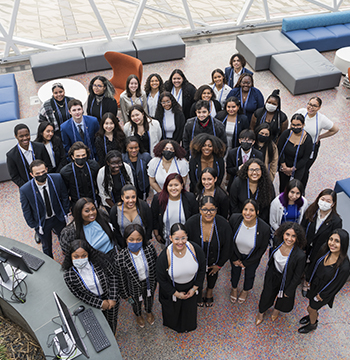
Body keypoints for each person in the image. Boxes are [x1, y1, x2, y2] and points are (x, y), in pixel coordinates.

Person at [156, 223, 206, 333]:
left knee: (189, 311)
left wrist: (194, 288)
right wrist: (176, 293)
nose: (180, 242)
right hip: (173, 288)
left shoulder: (195, 249)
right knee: (173, 314)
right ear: (170, 238)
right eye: (176, 238)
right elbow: (161, 278)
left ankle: (188, 326)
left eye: (183, 238)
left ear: (187, 237)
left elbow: (202, 269)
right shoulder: (165, 256)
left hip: (191, 287)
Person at [62, 239, 119, 334]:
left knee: (112, 319)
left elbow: (113, 275)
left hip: (110, 297)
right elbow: (80, 295)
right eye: (76, 256)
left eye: (84, 256)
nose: (80, 259)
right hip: (93, 302)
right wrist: (99, 303)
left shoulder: (100, 262)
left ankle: (113, 333)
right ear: (70, 257)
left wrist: (112, 298)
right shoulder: (69, 276)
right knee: (98, 322)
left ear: (89, 254)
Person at [298, 229, 350, 334]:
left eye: (337, 241)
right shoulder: (325, 250)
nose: (332, 243)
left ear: (343, 244)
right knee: (311, 304)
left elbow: (336, 285)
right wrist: (308, 280)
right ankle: (311, 315)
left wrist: (321, 295)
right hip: (315, 285)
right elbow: (314, 265)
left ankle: (313, 324)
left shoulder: (344, 267)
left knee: (311, 308)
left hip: (324, 293)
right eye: (331, 239)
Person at [256, 222, 306, 325]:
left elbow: (297, 276)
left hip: (287, 279)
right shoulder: (277, 241)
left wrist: (290, 290)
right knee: (266, 294)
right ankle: (261, 312)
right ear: (283, 234)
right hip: (273, 274)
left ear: (298, 238)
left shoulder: (300, 255)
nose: (289, 238)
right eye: (287, 234)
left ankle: (276, 310)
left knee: (282, 298)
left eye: (293, 236)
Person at [185, 196, 232, 307]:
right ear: (200, 209)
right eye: (205, 209)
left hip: (214, 259)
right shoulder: (191, 223)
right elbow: (185, 244)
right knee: (197, 277)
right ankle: (199, 292)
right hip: (196, 260)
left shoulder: (223, 225)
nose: (208, 213)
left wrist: (219, 265)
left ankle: (209, 291)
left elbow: (228, 246)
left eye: (212, 210)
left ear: (216, 210)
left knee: (212, 275)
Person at [20, 160, 70, 258]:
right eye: (37, 173)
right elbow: (26, 210)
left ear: (46, 169)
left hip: (58, 217)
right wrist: (34, 225)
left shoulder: (57, 178)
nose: (41, 175)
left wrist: (65, 211)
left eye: (43, 172)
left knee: (64, 238)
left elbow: (64, 196)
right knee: (46, 246)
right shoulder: (25, 190)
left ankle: (66, 253)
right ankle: (50, 261)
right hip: (42, 223)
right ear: (31, 174)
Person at [229, 199, 270, 304]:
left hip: (252, 257)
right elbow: (229, 241)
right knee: (235, 271)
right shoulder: (234, 219)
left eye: (251, 210)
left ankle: (245, 290)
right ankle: (234, 288)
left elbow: (261, 249)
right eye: (245, 209)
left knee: (250, 274)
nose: (248, 213)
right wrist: (234, 258)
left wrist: (246, 263)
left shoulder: (264, 228)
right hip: (235, 254)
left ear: (257, 212)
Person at [116, 224, 157, 327]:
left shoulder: (149, 248)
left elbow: (155, 265)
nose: (135, 242)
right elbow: (121, 279)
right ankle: (138, 315)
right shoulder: (121, 257)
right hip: (133, 286)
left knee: (149, 298)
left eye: (138, 239)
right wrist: (125, 295)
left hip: (148, 282)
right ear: (126, 240)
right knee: (135, 302)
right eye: (131, 239)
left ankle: (148, 311)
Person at [296, 96, 339, 189]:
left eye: (314, 106)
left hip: (310, 147)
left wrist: (320, 136)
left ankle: (300, 189)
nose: (311, 107)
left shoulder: (321, 119)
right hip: (297, 144)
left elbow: (335, 129)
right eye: (310, 104)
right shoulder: (301, 112)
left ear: (319, 108)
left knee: (304, 169)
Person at [301, 188, 342, 271]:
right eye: (322, 199)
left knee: (314, 264)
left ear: (333, 204)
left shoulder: (336, 221)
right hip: (306, 243)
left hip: (320, 248)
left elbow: (334, 238)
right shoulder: (311, 210)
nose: (324, 203)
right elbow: (302, 227)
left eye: (328, 201)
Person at [151, 173, 198, 246]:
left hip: (185, 239)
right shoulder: (158, 199)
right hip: (166, 238)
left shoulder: (190, 198)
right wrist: (157, 235)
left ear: (182, 186)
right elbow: (154, 218)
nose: (173, 188)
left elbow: (195, 217)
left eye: (176, 185)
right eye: (170, 185)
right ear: (166, 186)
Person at [229, 158, 274, 224]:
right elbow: (233, 205)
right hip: (241, 220)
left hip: (261, 221)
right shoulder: (238, 182)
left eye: (257, 170)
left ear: (262, 171)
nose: (254, 173)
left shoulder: (267, 184)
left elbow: (268, 207)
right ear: (247, 171)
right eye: (251, 170)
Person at [277, 113, 313, 193]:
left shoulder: (308, 139)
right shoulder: (286, 133)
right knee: (283, 186)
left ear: (303, 125)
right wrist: (284, 166)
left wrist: (292, 169)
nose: (295, 127)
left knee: (293, 188)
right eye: (293, 125)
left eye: (298, 125)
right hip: (284, 165)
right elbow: (279, 150)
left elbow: (305, 158)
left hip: (298, 167)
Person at [60, 142, 100, 209]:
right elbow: (65, 191)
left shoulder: (94, 166)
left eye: (83, 155)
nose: (81, 158)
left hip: (93, 199)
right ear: (72, 157)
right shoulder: (66, 172)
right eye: (78, 156)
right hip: (76, 203)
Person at [122, 136, 152, 200]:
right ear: (126, 148)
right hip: (129, 188)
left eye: (136, 147)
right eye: (131, 148)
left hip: (143, 188)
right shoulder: (122, 158)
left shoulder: (146, 157)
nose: (134, 150)